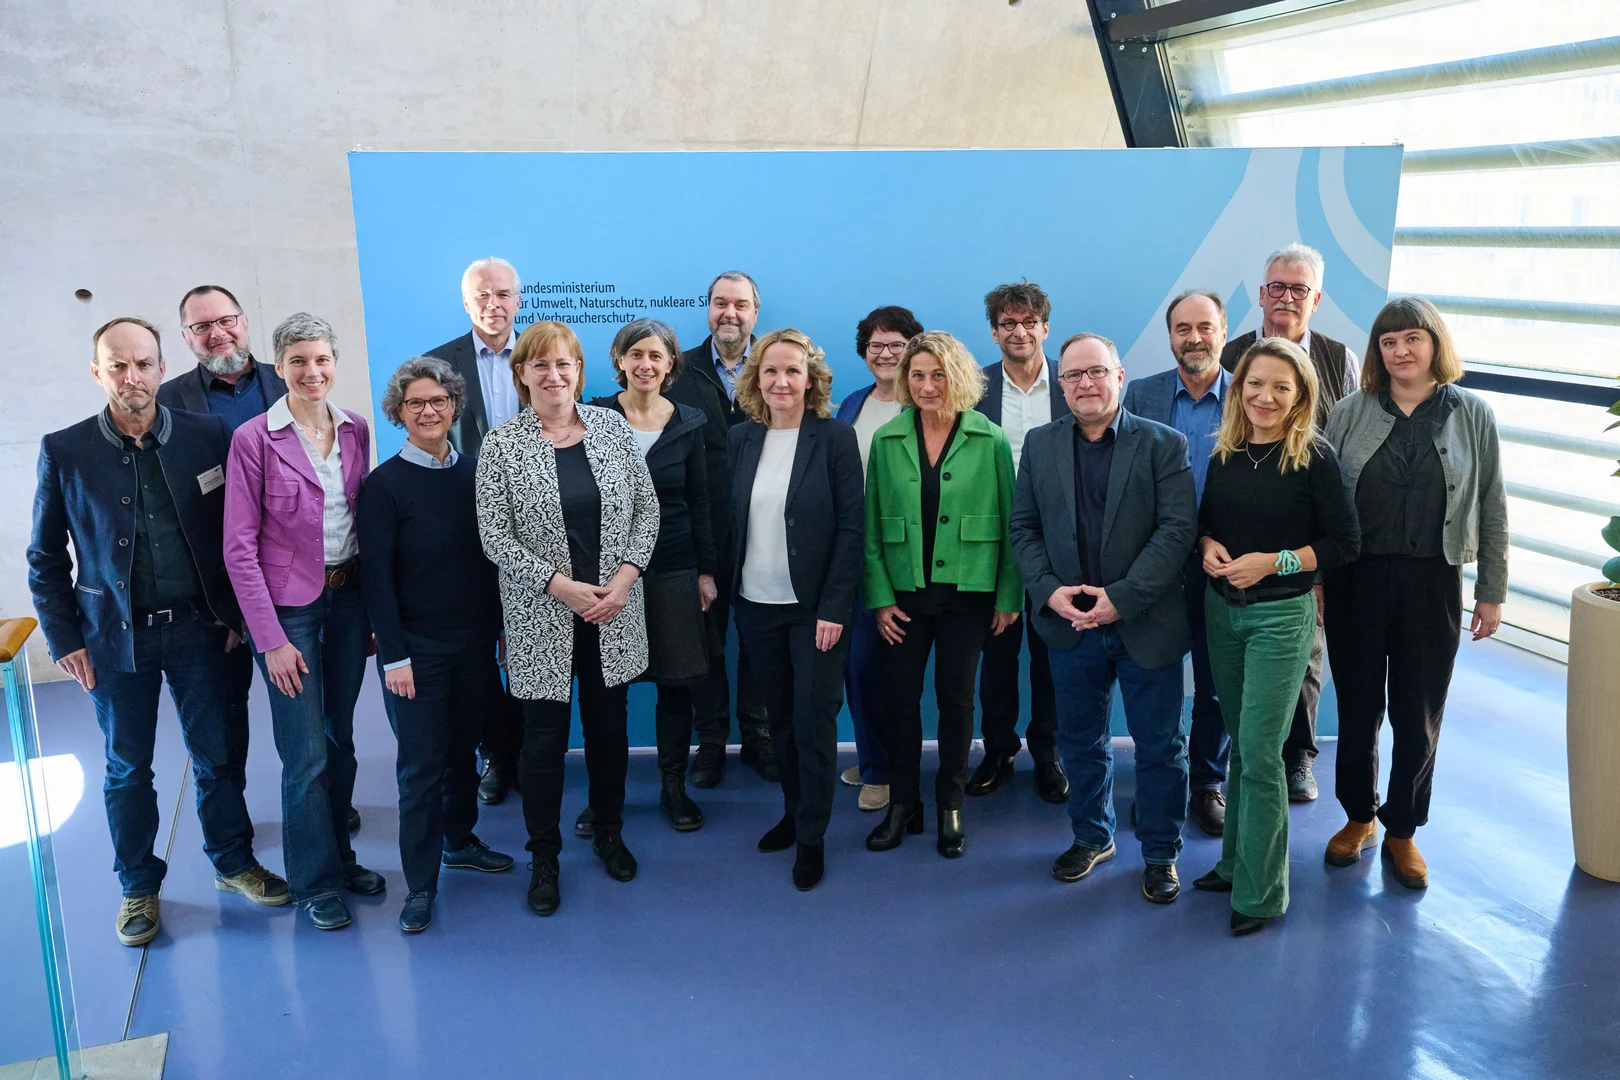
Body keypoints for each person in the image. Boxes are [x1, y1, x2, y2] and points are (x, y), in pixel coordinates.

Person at [29, 317, 288, 947]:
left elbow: (241, 533)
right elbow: (44, 558)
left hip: (203, 631)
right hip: (114, 641)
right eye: (117, 365)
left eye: (143, 363)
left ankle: (232, 862)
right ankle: (138, 886)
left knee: (219, 756)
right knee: (127, 769)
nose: (132, 376)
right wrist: (65, 640)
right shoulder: (65, 449)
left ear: (161, 366)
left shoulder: (209, 437)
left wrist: (235, 617)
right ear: (98, 372)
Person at [475, 321, 659, 917]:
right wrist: (562, 587)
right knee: (544, 744)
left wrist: (624, 581)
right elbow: (495, 538)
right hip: (540, 619)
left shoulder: (611, 428)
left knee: (609, 732)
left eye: (565, 365)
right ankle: (544, 857)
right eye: (540, 366)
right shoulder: (501, 444)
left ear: (580, 371)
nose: (554, 376)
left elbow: (645, 511)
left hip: (612, 611)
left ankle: (609, 831)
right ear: (521, 374)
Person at [1322, 297, 1507, 889]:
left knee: (1417, 712)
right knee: (1356, 709)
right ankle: (1359, 817)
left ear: (1435, 344)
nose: (1400, 351)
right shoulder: (1350, 412)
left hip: (1434, 582)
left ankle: (1402, 828)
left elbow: (1492, 504)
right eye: (1388, 341)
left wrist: (1492, 590)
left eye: (1412, 339)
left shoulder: (1472, 414)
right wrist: (1320, 581)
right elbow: (1321, 507)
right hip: (1357, 579)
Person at [1011, 333, 1198, 902]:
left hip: (1146, 622)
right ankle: (1093, 836)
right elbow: (1023, 529)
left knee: (1160, 747)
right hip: (1068, 626)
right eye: (1073, 376)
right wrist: (1049, 593)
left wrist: (1122, 597)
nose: (1085, 384)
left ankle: (1162, 852)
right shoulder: (1039, 446)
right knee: (1080, 743)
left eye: (1097, 372)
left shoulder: (1163, 444)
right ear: (1060, 383)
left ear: (1120, 377)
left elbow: (1177, 530)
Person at [1191, 338, 1360, 935]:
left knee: (1262, 755)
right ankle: (1235, 866)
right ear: (1238, 389)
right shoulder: (1225, 452)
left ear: (1301, 396)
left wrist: (1274, 562)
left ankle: (1263, 894)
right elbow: (1209, 523)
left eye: (1280, 387)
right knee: (1243, 745)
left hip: (1280, 618)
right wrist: (1208, 546)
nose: (1265, 396)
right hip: (1223, 613)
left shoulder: (1313, 457)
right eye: (1254, 384)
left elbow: (1344, 544)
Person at [224, 312, 386, 931]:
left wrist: (373, 612)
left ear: (334, 364)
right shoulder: (253, 439)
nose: (312, 372)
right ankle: (313, 883)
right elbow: (239, 547)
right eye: (298, 362)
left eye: (321, 360)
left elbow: (360, 521)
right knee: (305, 753)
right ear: (280, 367)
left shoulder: (357, 429)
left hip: (348, 601)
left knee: (340, 738)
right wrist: (269, 640)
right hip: (289, 611)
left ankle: (340, 860)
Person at [358, 357, 515, 934]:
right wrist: (395, 656)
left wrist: (499, 629)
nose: (428, 411)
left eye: (439, 401)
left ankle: (460, 841)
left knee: (463, 755)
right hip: (415, 652)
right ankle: (420, 885)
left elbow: (491, 560)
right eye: (415, 403)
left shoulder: (477, 472)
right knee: (420, 770)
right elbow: (375, 577)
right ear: (399, 413)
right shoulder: (383, 486)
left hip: (473, 642)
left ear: (454, 406)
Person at [862, 331, 1021, 858]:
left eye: (938, 374)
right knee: (900, 703)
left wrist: (1007, 595)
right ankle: (902, 805)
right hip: (904, 597)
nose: (928, 385)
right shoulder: (886, 439)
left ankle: (949, 804)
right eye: (917, 375)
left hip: (969, 594)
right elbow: (869, 528)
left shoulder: (989, 437)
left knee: (956, 702)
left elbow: (1012, 518)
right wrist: (881, 598)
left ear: (959, 377)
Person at [1219, 244, 1362, 804]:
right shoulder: (1229, 354)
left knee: (1306, 658)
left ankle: (1298, 757)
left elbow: (1344, 458)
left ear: (1316, 299)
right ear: (1260, 294)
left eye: (1298, 289)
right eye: (1276, 287)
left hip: (1308, 546)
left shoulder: (1339, 359)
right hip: (1237, 538)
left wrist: (1318, 568)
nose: (1285, 298)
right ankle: (1244, 762)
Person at [158, 285, 299, 829]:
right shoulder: (168, 401)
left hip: (293, 587)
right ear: (187, 337)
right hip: (215, 598)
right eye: (202, 327)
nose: (218, 333)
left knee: (310, 718)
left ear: (244, 319)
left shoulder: (289, 378)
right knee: (221, 729)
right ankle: (232, 840)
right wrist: (222, 608)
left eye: (226, 320)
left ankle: (324, 806)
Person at [728, 328, 863, 891]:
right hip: (756, 606)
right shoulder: (740, 439)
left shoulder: (833, 439)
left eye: (792, 372)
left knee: (813, 723)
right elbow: (729, 519)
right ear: (757, 381)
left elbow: (852, 528)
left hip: (815, 612)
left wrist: (834, 607)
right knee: (778, 722)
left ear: (811, 381)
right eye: (771, 372)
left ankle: (812, 837)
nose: (781, 381)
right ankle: (791, 810)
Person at [588, 318, 717, 834]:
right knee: (608, 691)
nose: (646, 364)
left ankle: (673, 788)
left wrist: (706, 571)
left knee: (676, 685)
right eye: (635, 354)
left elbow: (701, 501)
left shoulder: (689, 421)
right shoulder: (592, 417)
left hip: (674, 569)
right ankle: (604, 799)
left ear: (670, 366)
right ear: (620, 360)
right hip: (607, 575)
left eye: (656, 357)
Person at [1122, 288, 1232, 838]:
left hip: (1223, 565)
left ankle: (1208, 782)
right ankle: (1159, 782)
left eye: (1204, 327)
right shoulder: (1139, 396)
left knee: (1215, 685)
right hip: (1154, 567)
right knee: (1156, 679)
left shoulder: (1250, 396)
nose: (1193, 338)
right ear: (1169, 337)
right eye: (1182, 328)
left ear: (1223, 332)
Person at [426, 257, 528, 807]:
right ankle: (496, 754)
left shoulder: (542, 356)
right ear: (467, 304)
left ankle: (531, 752)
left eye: (503, 294)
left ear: (518, 299)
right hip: (465, 530)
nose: (493, 303)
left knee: (533, 649)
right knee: (478, 651)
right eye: (482, 295)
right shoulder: (440, 364)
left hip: (539, 531)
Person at [667, 270, 776, 786]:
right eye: (719, 303)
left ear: (756, 312)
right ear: (707, 308)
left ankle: (758, 735)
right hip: (699, 533)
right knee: (705, 643)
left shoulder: (777, 367)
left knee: (758, 642)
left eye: (740, 304)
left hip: (767, 534)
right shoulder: (678, 371)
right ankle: (711, 740)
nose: (728, 313)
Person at [969, 281, 1068, 804]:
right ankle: (998, 750)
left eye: (1029, 322)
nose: (1019, 331)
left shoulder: (1072, 385)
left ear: (1045, 328)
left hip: (1059, 546)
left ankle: (1048, 753)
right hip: (992, 545)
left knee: (1051, 657)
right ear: (994, 333)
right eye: (1008, 323)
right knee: (997, 654)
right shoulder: (975, 388)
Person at [833, 305, 924, 813]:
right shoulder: (851, 404)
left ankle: (885, 771)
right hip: (851, 554)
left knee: (884, 667)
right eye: (875, 345)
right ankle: (873, 758)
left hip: (903, 559)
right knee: (856, 667)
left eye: (896, 344)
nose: (885, 354)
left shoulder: (927, 405)